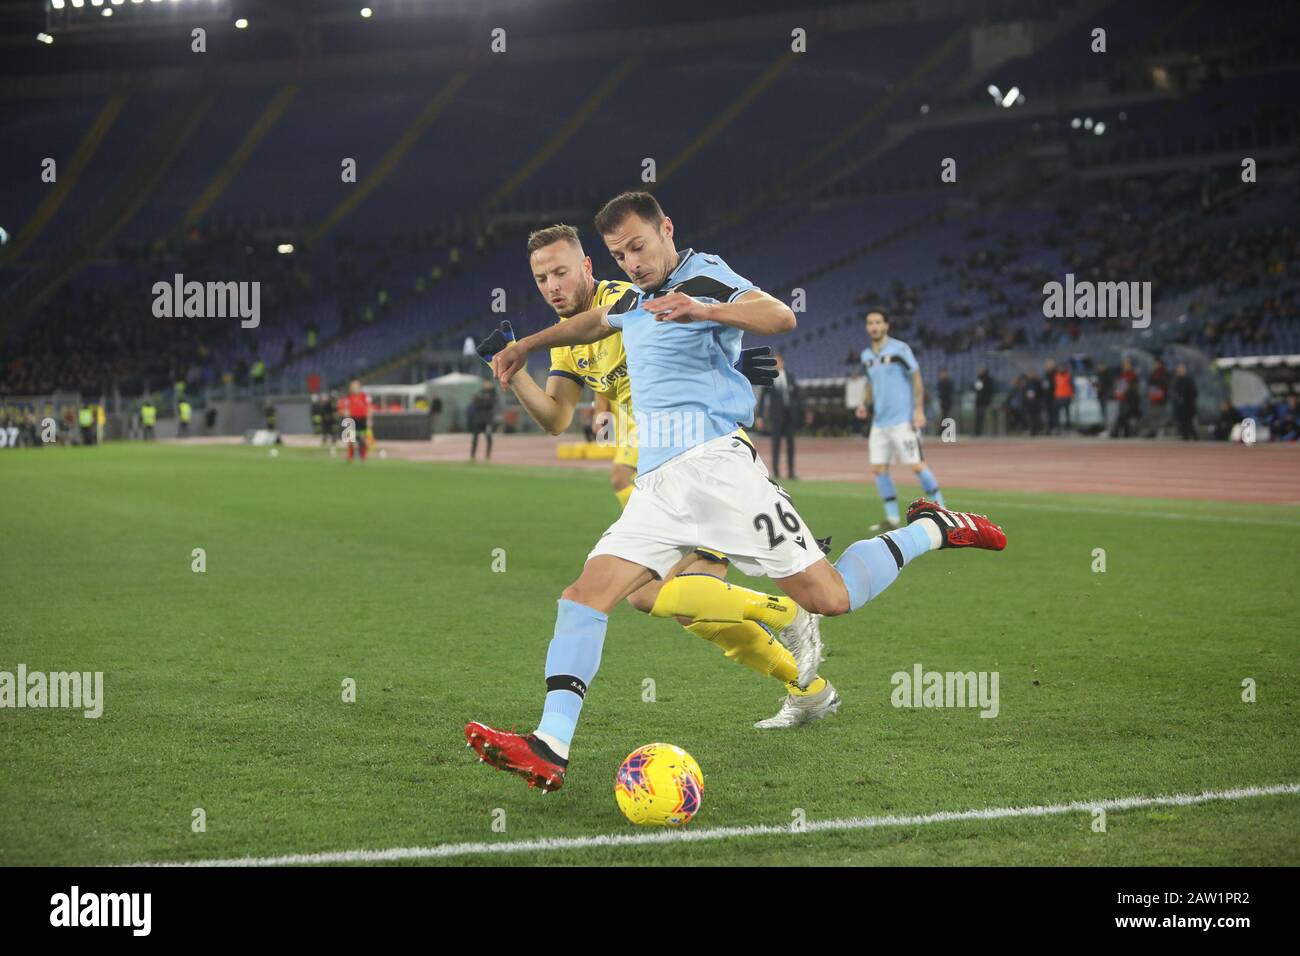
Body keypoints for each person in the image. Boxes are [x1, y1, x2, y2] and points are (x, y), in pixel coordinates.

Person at [468, 190, 1006, 792]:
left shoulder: (705, 274)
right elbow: (595, 321)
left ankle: (932, 527)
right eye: (621, 254)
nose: (633, 262)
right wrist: (524, 347)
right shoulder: (634, 301)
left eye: (639, 247)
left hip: (722, 471)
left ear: (667, 229)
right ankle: (550, 746)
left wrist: (705, 312)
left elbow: (780, 316)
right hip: (659, 486)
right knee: (585, 596)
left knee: (831, 596)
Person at [475, 226, 823, 729]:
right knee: (681, 607)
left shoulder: (624, 299)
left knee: (654, 595)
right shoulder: (568, 347)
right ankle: (805, 682)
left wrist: (734, 361)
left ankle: (789, 617)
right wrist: (513, 369)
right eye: (541, 277)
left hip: (701, 459)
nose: (552, 285)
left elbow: (678, 325)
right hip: (660, 475)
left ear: (589, 268)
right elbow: (554, 418)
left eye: (561, 272)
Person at [855, 311, 946, 532]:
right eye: (870, 323)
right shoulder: (866, 355)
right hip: (879, 423)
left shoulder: (900, 349)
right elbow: (869, 383)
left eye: (878, 322)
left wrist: (918, 410)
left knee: (916, 465)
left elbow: (916, 377)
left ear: (886, 325)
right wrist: (863, 403)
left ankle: (943, 513)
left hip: (902, 421)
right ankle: (892, 518)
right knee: (879, 469)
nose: (874, 326)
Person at [756, 353, 802, 480]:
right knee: (776, 444)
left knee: (791, 445)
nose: (777, 364)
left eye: (778, 361)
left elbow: (797, 397)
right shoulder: (769, 377)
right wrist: (759, 416)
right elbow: (762, 398)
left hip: (789, 415)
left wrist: (799, 413)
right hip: (776, 416)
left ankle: (791, 472)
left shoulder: (790, 377)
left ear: (783, 362)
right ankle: (776, 471)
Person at [467, 378, 498, 462]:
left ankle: (487, 457)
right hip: (479, 418)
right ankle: (472, 456)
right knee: (475, 437)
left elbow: (491, 404)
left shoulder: (493, 393)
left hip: (488, 419)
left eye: (487, 383)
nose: (486, 385)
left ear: (490, 383)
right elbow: (475, 403)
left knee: (488, 437)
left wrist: (482, 402)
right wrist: (483, 402)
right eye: (485, 383)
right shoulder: (480, 392)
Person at [341, 380, 371, 462]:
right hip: (352, 419)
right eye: (352, 386)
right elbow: (346, 409)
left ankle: (363, 456)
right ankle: (350, 457)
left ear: (359, 387)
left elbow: (369, 408)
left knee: (363, 438)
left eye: (355, 386)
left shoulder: (364, 396)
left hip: (362, 419)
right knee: (351, 439)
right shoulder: (349, 397)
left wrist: (369, 419)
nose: (353, 388)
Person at [1171, 363, 1198, 440]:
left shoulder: (1189, 380)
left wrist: (1188, 400)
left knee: (1190, 423)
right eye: (1178, 369)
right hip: (1180, 407)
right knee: (1182, 423)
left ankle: (1194, 437)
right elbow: (1174, 392)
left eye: (1181, 369)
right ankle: (1185, 437)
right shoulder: (1176, 381)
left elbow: (1194, 393)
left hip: (1188, 406)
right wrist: (1178, 399)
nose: (1179, 371)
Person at [1053, 363, 1075, 433]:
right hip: (1058, 396)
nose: (1061, 369)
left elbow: (1072, 386)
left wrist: (1072, 394)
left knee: (1067, 413)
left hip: (1066, 396)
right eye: (1060, 368)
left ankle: (1068, 428)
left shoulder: (1068, 375)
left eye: (1062, 368)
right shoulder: (1056, 376)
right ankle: (1058, 428)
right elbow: (1054, 386)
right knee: (1057, 414)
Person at [973, 367, 993, 436]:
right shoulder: (979, 379)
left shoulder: (987, 380)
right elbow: (977, 389)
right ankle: (977, 431)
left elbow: (989, 391)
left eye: (980, 370)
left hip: (983, 402)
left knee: (980, 417)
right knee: (978, 417)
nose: (978, 371)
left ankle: (978, 432)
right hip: (979, 401)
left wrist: (987, 400)